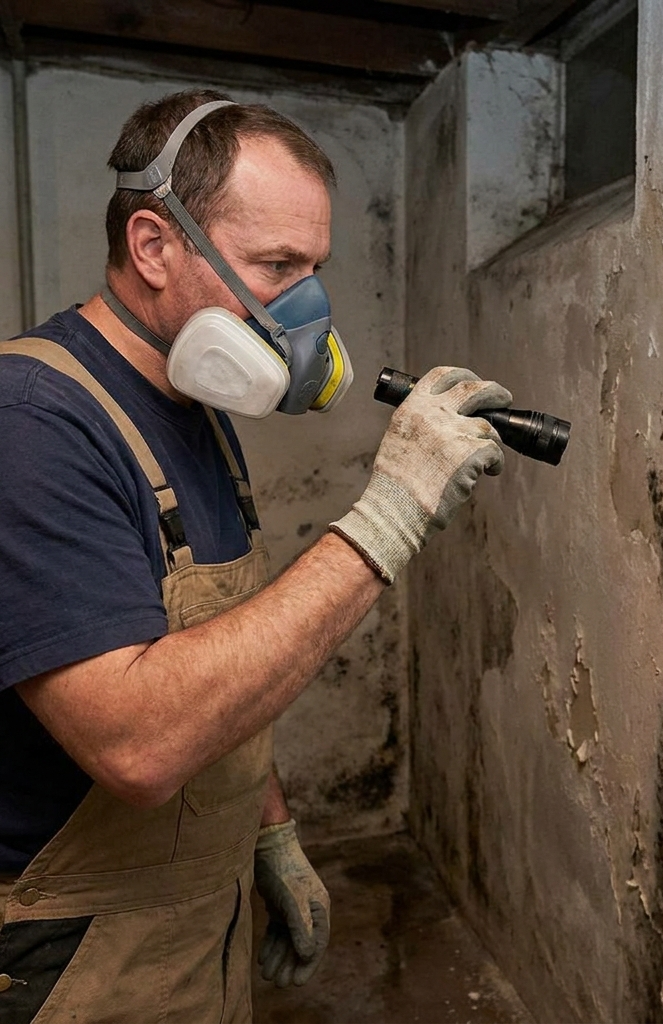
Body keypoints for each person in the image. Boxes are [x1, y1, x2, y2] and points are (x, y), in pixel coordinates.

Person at [0, 89, 511, 1023]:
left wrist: (268, 831)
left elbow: (215, 652)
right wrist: (389, 516)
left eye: (314, 268)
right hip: (75, 953)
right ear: (154, 246)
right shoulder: (33, 425)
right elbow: (138, 743)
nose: (306, 305)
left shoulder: (195, 412)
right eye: (277, 265)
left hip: (197, 913)